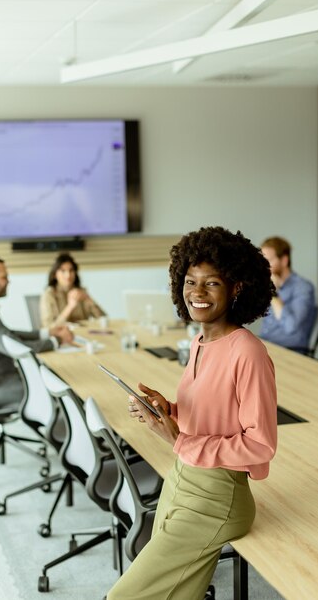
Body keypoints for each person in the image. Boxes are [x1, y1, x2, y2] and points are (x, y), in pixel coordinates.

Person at [107, 226, 277, 600]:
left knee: (126, 596)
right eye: (190, 281)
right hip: (182, 478)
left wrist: (180, 440)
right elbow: (215, 411)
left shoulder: (247, 351)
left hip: (217, 497)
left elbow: (261, 445)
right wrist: (171, 409)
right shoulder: (200, 340)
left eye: (212, 283)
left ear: (236, 288)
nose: (197, 293)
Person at [0, 256, 73, 409]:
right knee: (66, 383)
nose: (8, 281)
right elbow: (18, 348)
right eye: (4, 277)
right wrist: (57, 341)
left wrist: (46, 333)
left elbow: (7, 334)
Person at [260, 236, 316, 352]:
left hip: (290, 352)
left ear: (284, 260)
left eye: (268, 260)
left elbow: (291, 328)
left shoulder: (303, 287)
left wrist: (274, 294)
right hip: (265, 345)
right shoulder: (267, 282)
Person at [40, 253, 105, 328]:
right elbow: (49, 328)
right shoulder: (49, 295)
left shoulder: (80, 292)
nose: (68, 275)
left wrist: (89, 300)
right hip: (61, 337)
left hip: (83, 335)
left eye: (71, 270)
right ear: (55, 274)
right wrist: (70, 307)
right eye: (63, 271)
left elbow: (103, 319)